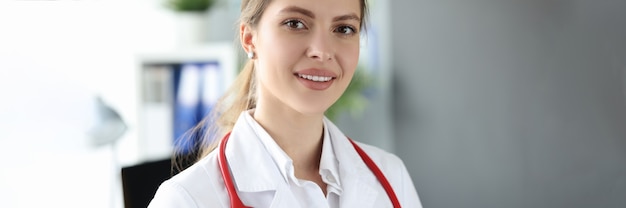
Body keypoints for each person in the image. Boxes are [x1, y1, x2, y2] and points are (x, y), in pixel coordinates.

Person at [148, 0, 422, 207]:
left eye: (344, 28)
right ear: (249, 38)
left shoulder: (390, 176)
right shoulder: (186, 200)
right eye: (295, 23)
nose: (323, 51)